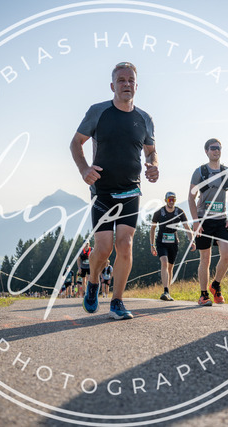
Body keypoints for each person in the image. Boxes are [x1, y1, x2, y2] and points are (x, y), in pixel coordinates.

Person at [70, 61, 158, 320]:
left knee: (125, 244)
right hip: (103, 191)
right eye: (121, 80)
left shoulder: (145, 119)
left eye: (130, 80)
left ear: (137, 86)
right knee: (104, 248)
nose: (126, 84)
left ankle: (117, 301)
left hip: (131, 190)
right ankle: (93, 282)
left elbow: (151, 151)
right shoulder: (98, 112)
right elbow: (76, 142)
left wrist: (153, 165)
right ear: (112, 86)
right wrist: (84, 169)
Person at [188, 138, 228, 306]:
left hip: (221, 220)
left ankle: (215, 285)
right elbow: (191, 197)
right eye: (213, 148)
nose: (216, 151)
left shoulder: (227, 172)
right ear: (206, 151)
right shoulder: (200, 172)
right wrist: (195, 222)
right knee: (205, 258)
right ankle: (203, 295)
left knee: (227, 255)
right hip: (203, 220)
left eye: (219, 148)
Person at [150, 191, 195, 301]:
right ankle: (165, 290)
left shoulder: (179, 212)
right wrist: (152, 244)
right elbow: (152, 228)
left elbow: (187, 227)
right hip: (161, 242)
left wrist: (192, 241)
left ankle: (168, 292)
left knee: (170, 267)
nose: (171, 201)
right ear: (165, 200)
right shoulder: (159, 213)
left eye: (173, 199)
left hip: (173, 243)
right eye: (169, 199)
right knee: (164, 263)